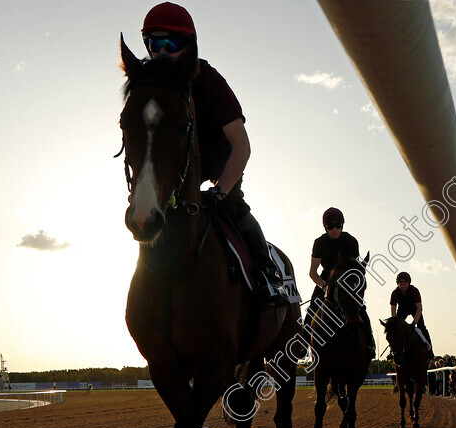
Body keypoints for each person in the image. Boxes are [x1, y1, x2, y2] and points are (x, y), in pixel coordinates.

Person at [140, 2, 288, 305]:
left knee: (234, 206)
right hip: (178, 167)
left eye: (174, 43)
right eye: (156, 44)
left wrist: (220, 192)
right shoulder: (150, 87)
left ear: (190, 47)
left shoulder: (210, 81)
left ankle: (267, 274)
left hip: (220, 163)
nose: (164, 52)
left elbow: (242, 146)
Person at [306, 207, 376, 357]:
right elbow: (312, 272)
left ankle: (370, 345)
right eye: (330, 226)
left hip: (346, 282)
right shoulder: (319, 243)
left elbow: (354, 268)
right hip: (325, 280)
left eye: (338, 225)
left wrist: (354, 290)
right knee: (311, 310)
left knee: (361, 310)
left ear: (342, 225)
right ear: (325, 228)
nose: (334, 229)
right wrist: (324, 286)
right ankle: (303, 346)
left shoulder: (351, 241)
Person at [390, 272, 434, 357]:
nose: (403, 286)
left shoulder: (414, 291)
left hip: (414, 308)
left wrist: (414, 322)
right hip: (402, 309)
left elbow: (419, 308)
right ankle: (392, 351)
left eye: (405, 283)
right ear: (398, 284)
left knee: (422, 327)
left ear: (409, 283)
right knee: (395, 330)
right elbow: (393, 310)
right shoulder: (395, 293)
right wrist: (395, 323)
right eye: (401, 284)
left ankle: (430, 350)